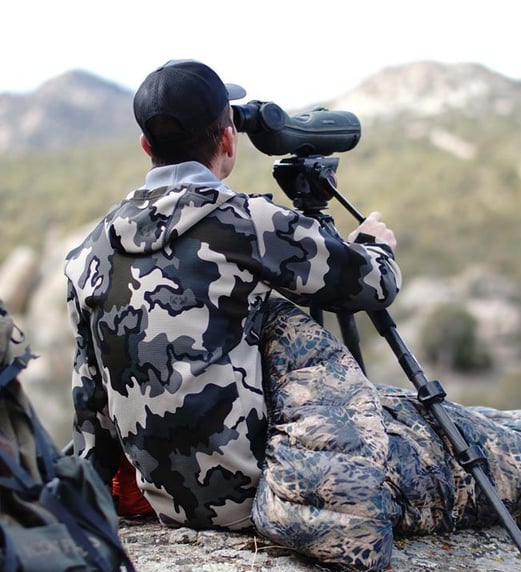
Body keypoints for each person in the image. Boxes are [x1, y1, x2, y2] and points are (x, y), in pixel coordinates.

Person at [64, 59, 401, 531]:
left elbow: (89, 399)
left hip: (161, 500)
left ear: (145, 146)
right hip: (254, 496)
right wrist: (374, 245)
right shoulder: (247, 222)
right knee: (278, 312)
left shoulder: (90, 249)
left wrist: (91, 509)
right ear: (227, 140)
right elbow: (377, 284)